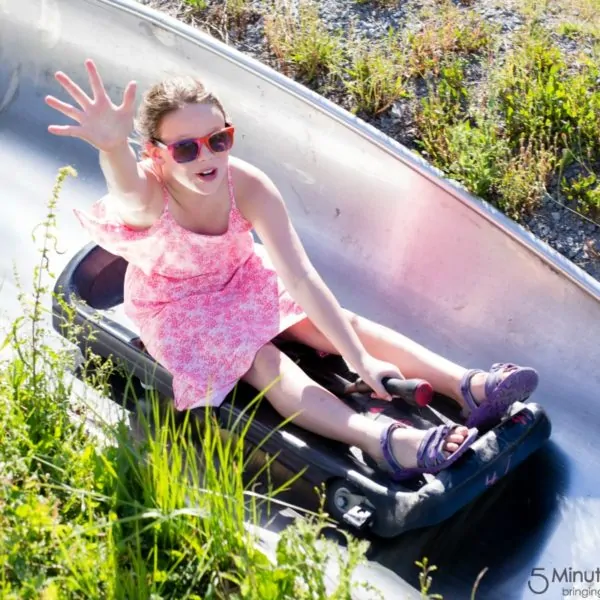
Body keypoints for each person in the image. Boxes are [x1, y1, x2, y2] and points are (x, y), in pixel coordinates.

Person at [45, 59, 539, 482]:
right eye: (186, 148)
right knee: (263, 360)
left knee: (333, 322)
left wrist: (359, 359)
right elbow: (128, 192)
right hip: (178, 306)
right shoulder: (151, 195)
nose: (207, 155)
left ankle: (467, 385)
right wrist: (111, 148)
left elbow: (301, 278)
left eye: (218, 139)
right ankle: (383, 440)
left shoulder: (249, 186)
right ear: (156, 154)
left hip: (241, 276)